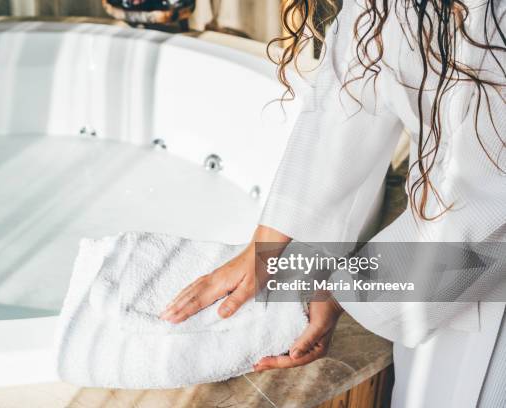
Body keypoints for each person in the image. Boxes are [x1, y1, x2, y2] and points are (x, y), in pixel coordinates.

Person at [160, 1, 506, 407]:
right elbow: (353, 87)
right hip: (441, 255)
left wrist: (343, 293)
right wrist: (268, 246)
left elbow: (486, 198)